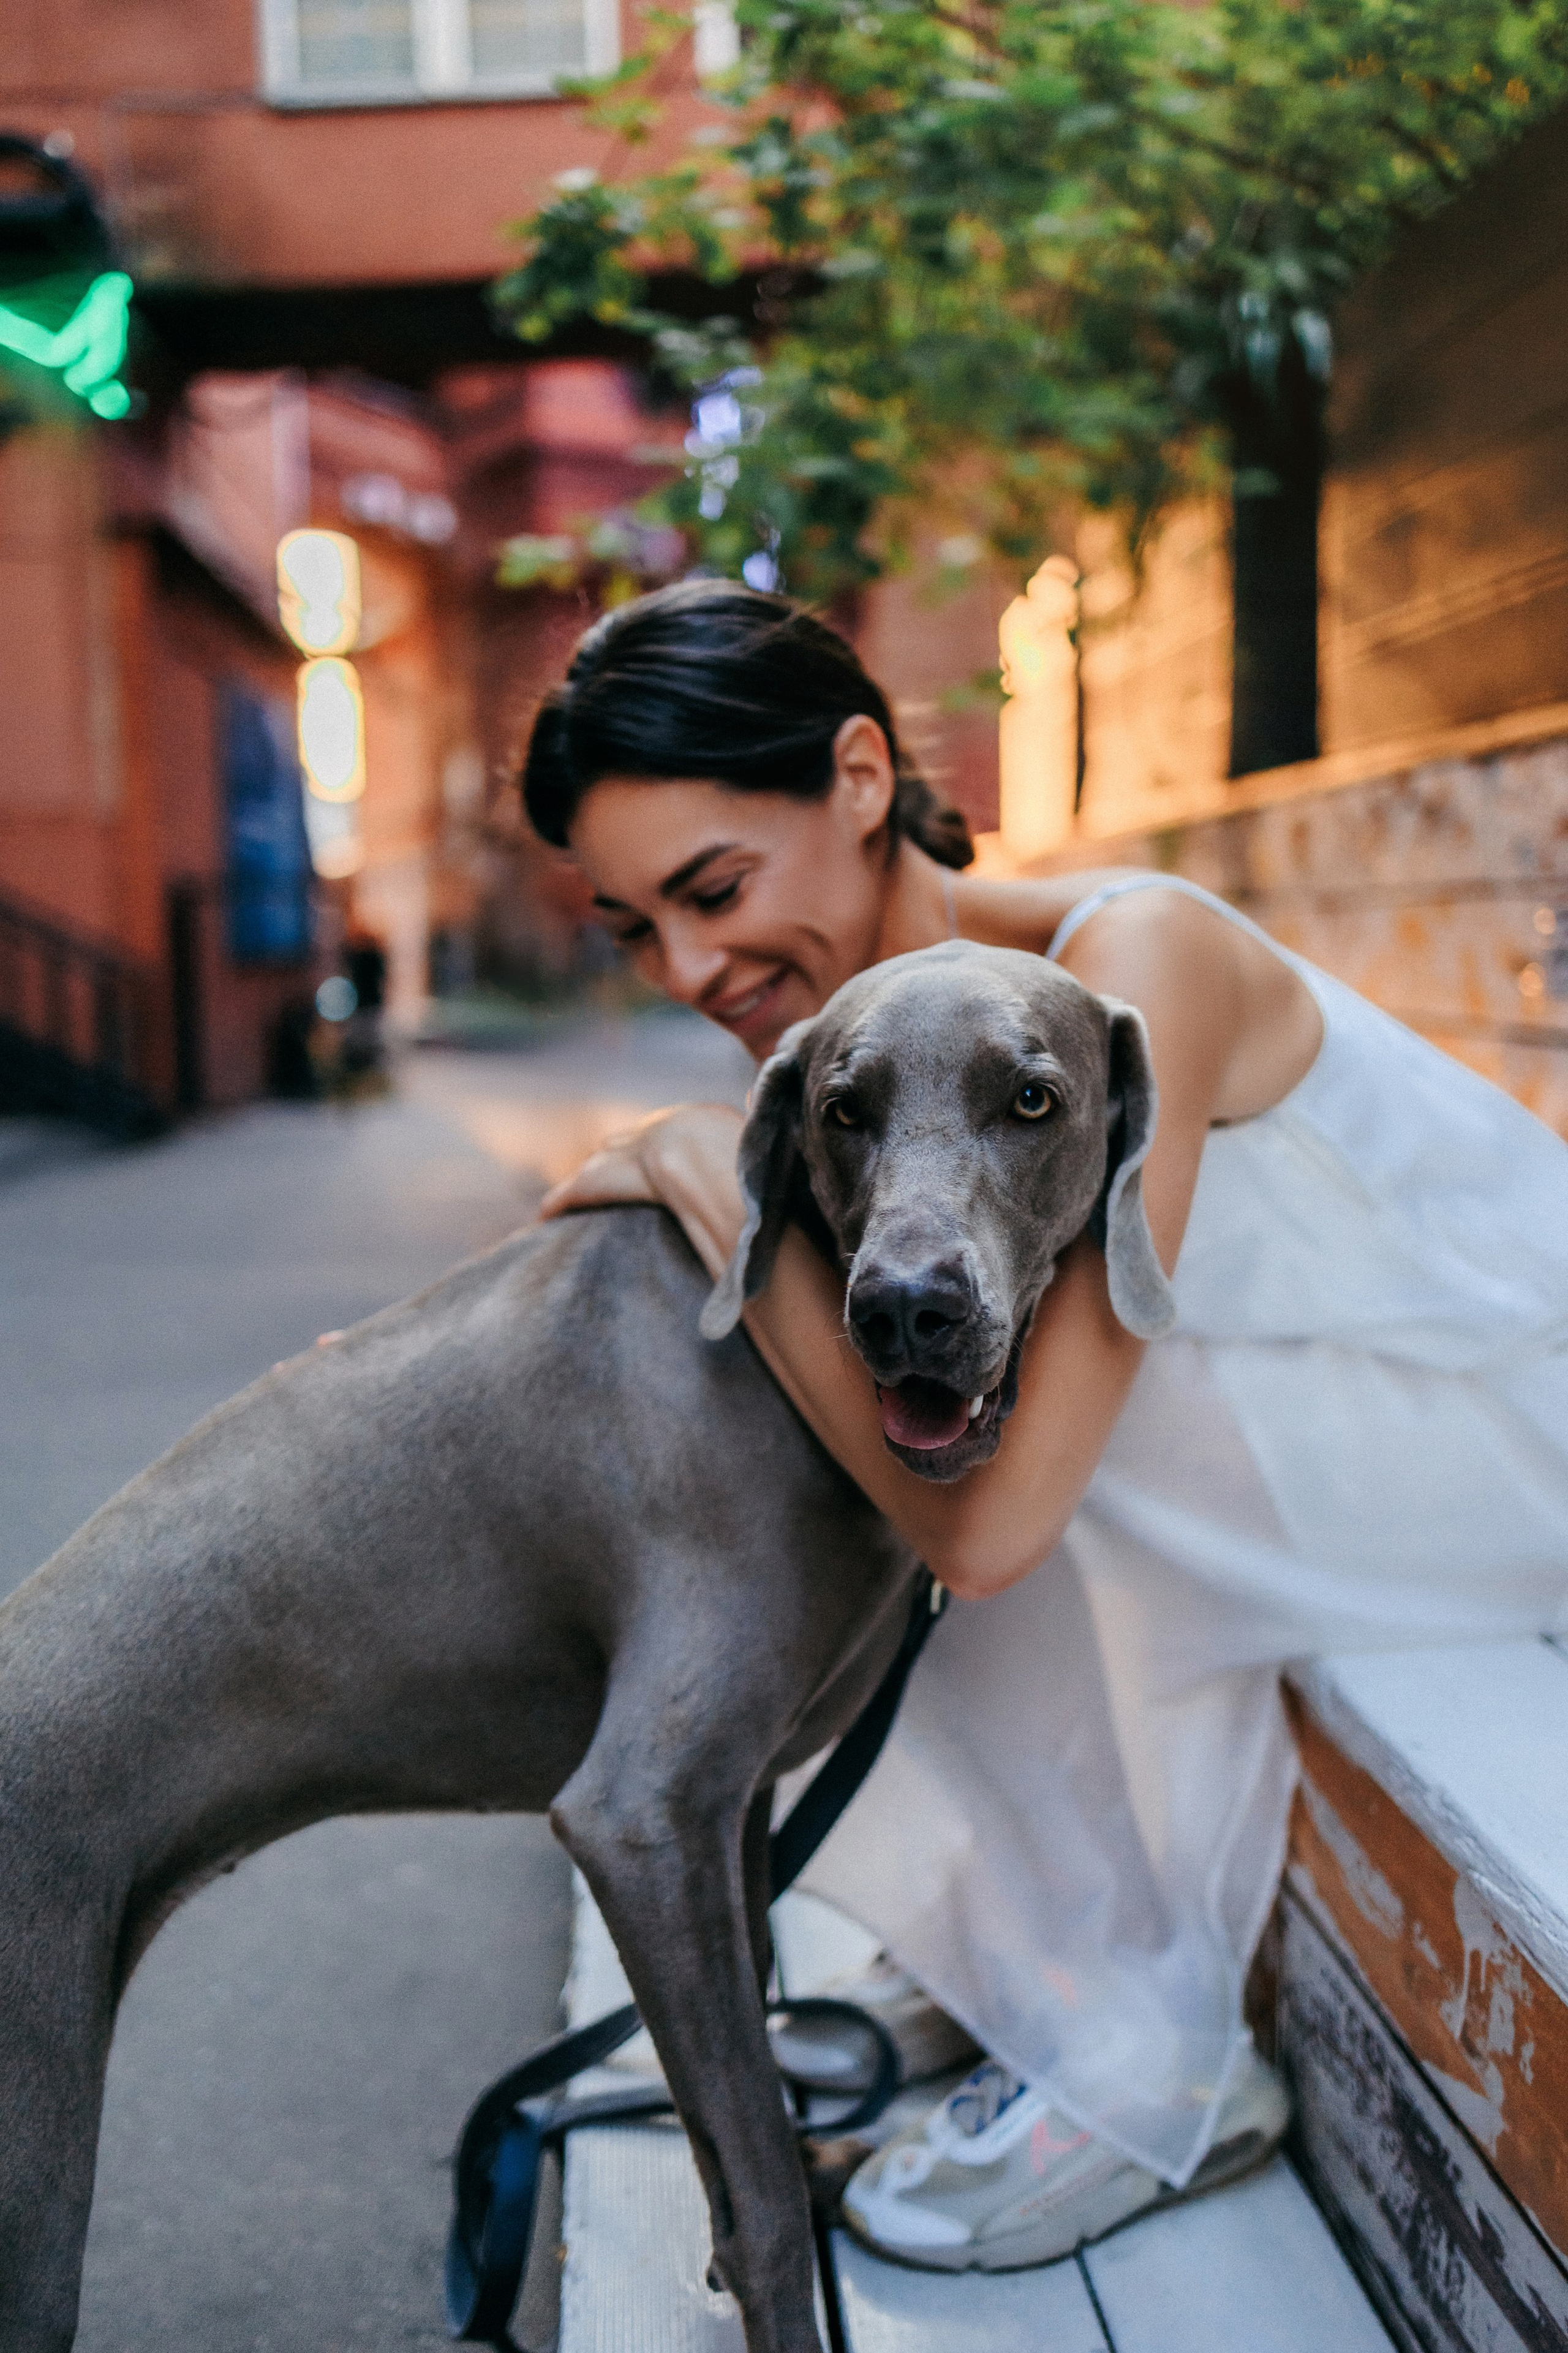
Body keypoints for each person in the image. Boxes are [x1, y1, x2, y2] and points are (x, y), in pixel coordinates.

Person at [522, 578, 1568, 2273]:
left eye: (713, 888)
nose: (693, 966)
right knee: (929, 1391)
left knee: (1026, 1427)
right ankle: (1014, 1940)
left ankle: (1149, 2052)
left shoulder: (1123, 964)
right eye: (637, 926)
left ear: (862, 775)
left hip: (1513, 1426)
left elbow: (996, 1535)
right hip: (1331, 1433)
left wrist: (706, 1176)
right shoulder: (875, 1072)